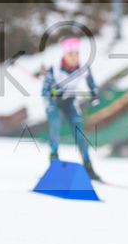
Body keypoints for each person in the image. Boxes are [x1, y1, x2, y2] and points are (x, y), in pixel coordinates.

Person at [42, 36, 101, 181]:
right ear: (64, 54)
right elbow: (44, 91)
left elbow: (93, 86)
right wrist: (52, 92)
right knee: (55, 124)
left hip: (69, 101)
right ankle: (54, 161)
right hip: (54, 102)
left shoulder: (83, 68)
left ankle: (88, 166)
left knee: (79, 131)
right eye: (70, 54)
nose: (74, 58)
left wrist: (94, 93)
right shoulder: (55, 69)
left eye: (77, 54)